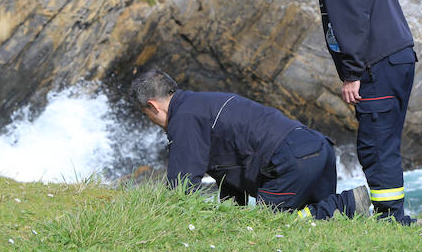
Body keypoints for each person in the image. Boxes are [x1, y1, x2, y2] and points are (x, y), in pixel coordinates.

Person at [265, 0, 422, 226]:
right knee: (385, 143)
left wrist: (351, 74)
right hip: (397, 59)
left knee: (375, 145)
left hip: (377, 65)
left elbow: (350, 19)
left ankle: (391, 222)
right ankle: (391, 218)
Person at [130, 69, 371, 220]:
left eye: (147, 115)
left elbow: (181, 187)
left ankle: (346, 203)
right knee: (320, 228)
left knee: (269, 227)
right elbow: (231, 170)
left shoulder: (183, 118)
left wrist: (166, 223)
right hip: (317, 147)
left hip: (290, 159)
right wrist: (229, 219)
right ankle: (340, 210)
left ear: (152, 106)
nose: (153, 122)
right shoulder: (203, 103)